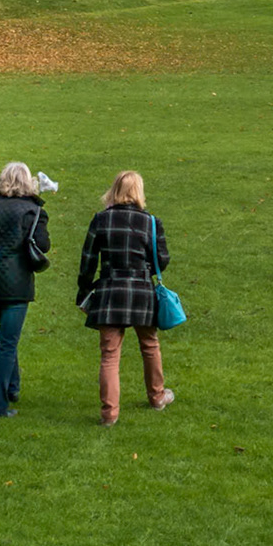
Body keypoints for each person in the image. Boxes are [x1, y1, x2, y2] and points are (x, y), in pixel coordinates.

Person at [77, 170, 175, 425]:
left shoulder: (101, 220)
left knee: (109, 355)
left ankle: (109, 414)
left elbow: (87, 260)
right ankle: (157, 397)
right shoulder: (151, 222)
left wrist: (84, 290)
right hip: (141, 291)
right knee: (150, 345)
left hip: (109, 291)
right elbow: (161, 260)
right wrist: (143, 271)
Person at [0, 162, 50, 419]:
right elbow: (44, 245)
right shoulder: (33, 210)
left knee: (7, 336)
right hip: (16, 284)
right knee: (7, 343)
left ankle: (13, 387)